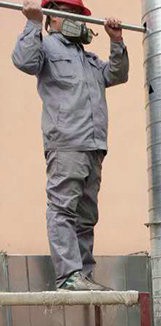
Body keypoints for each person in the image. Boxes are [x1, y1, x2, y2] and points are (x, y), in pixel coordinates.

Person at [12, 0, 129, 291]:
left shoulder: (88, 59)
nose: (77, 20)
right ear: (52, 17)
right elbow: (24, 61)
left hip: (94, 146)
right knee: (63, 209)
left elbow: (116, 75)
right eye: (69, 14)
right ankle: (68, 275)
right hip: (66, 143)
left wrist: (116, 41)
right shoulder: (46, 48)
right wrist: (32, 23)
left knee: (86, 217)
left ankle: (83, 275)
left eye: (79, 15)